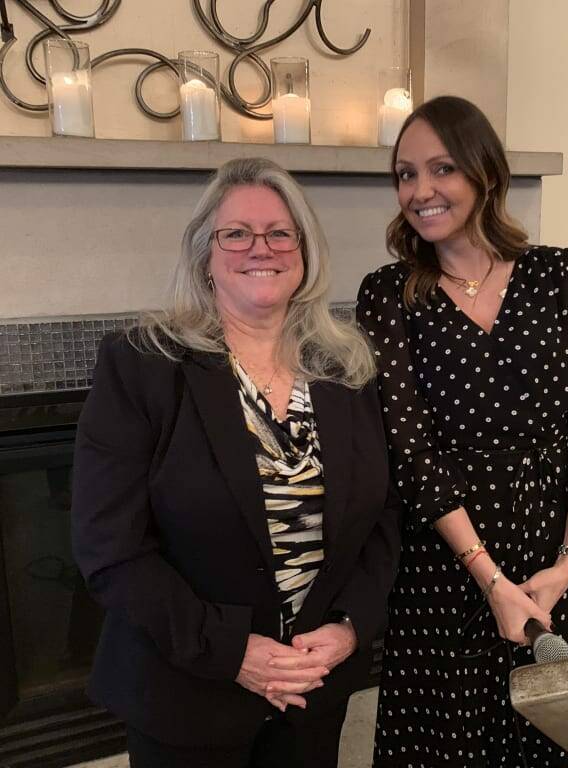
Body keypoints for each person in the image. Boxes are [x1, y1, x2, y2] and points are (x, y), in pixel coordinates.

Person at [72, 157, 401, 768]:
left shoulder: (346, 366)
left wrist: (352, 626)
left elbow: (382, 516)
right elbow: (108, 547)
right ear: (205, 252)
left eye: (281, 232)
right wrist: (231, 653)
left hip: (311, 685)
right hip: (187, 693)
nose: (262, 248)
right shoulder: (143, 365)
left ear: (304, 251)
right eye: (237, 233)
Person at [357, 95, 568, 767]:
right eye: (405, 174)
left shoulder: (558, 273)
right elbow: (407, 447)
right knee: (448, 740)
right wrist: (489, 580)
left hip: (546, 553)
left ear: (485, 173)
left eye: (441, 168)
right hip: (443, 560)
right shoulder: (388, 293)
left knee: (547, 726)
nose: (420, 191)